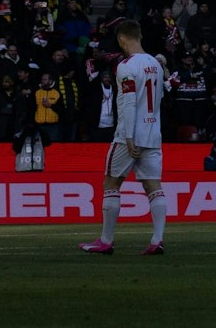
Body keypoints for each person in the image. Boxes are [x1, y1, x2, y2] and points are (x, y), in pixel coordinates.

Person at [79, 19, 168, 256]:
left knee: (111, 182)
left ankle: (106, 241)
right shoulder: (156, 64)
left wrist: (128, 136)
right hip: (153, 133)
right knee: (153, 186)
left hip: (129, 134)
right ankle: (157, 239)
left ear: (121, 39)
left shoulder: (126, 66)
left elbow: (128, 102)